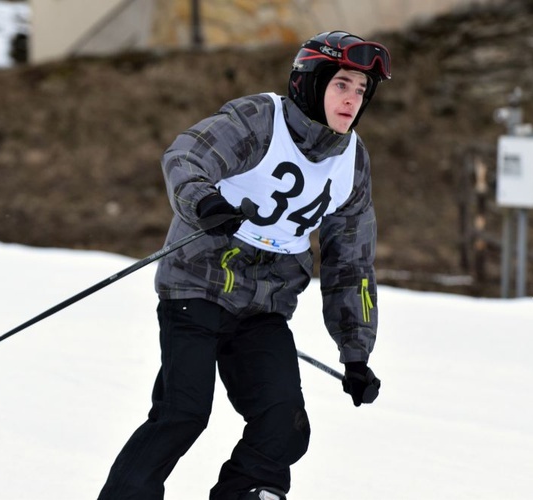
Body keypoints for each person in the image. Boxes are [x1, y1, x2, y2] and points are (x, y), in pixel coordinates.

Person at [97, 30, 390, 500]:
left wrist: (356, 352)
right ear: (310, 83)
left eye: (361, 91)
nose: (352, 100)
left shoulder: (351, 162)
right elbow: (187, 155)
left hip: (264, 308)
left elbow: (351, 262)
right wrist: (205, 201)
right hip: (197, 287)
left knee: (284, 424)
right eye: (341, 85)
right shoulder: (259, 120)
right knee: (182, 414)